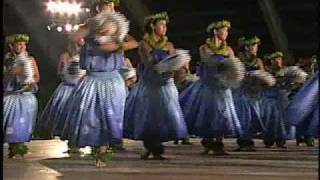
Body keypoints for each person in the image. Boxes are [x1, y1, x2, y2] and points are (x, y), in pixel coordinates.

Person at [61, 12, 129, 167]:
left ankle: (102, 152)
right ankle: (96, 149)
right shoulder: (89, 39)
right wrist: (90, 25)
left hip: (112, 83)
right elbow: (73, 37)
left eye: (109, 23)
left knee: (109, 117)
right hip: (92, 80)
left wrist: (118, 41)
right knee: (92, 117)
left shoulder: (118, 42)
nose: (105, 27)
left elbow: (133, 43)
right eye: (102, 23)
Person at [123, 12, 188, 160]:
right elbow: (149, 62)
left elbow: (174, 61)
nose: (164, 28)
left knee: (164, 116)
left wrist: (179, 65)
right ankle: (150, 146)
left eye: (165, 25)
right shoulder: (144, 44)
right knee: (149, 116)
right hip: (150, 85)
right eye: (161, 25)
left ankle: (157, 148)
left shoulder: (169, 44)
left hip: (166, 84)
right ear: (153, 26)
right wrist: (161, 64)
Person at [180, 20, 244, 155]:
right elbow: (208, 61)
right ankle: (208, 142)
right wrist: (223, 62)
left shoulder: (229, 49)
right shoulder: (204, 48)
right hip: (208, 86)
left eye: (227, 31)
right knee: (208, 113)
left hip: (223, 86)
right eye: (224, 30)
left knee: (222, 113)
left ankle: (219, 144)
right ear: (215, 31)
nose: (226, 33)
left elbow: (233, 65)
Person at [36, 39, 86, 150]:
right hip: (66, 88)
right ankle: (70, 141)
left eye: (80, 45)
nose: (77, 47)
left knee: (78, 116)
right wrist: (65, 72)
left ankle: (76, 141)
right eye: (76, 44)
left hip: (79, 89)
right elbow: (59, 72)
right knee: (65, 115)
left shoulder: (85, 56)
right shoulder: (64, 56)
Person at [3, 34, 39, 158]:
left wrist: (30, 82)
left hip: (26, 95)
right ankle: (13, 145)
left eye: (23, 44)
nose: (22, 46)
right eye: (19, 44)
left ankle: (19, 145)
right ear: (11, 46)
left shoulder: (30, 59)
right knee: (11, 121)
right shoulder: (8, 59)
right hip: (11, 94)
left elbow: (36, 76)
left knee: (22, 122)